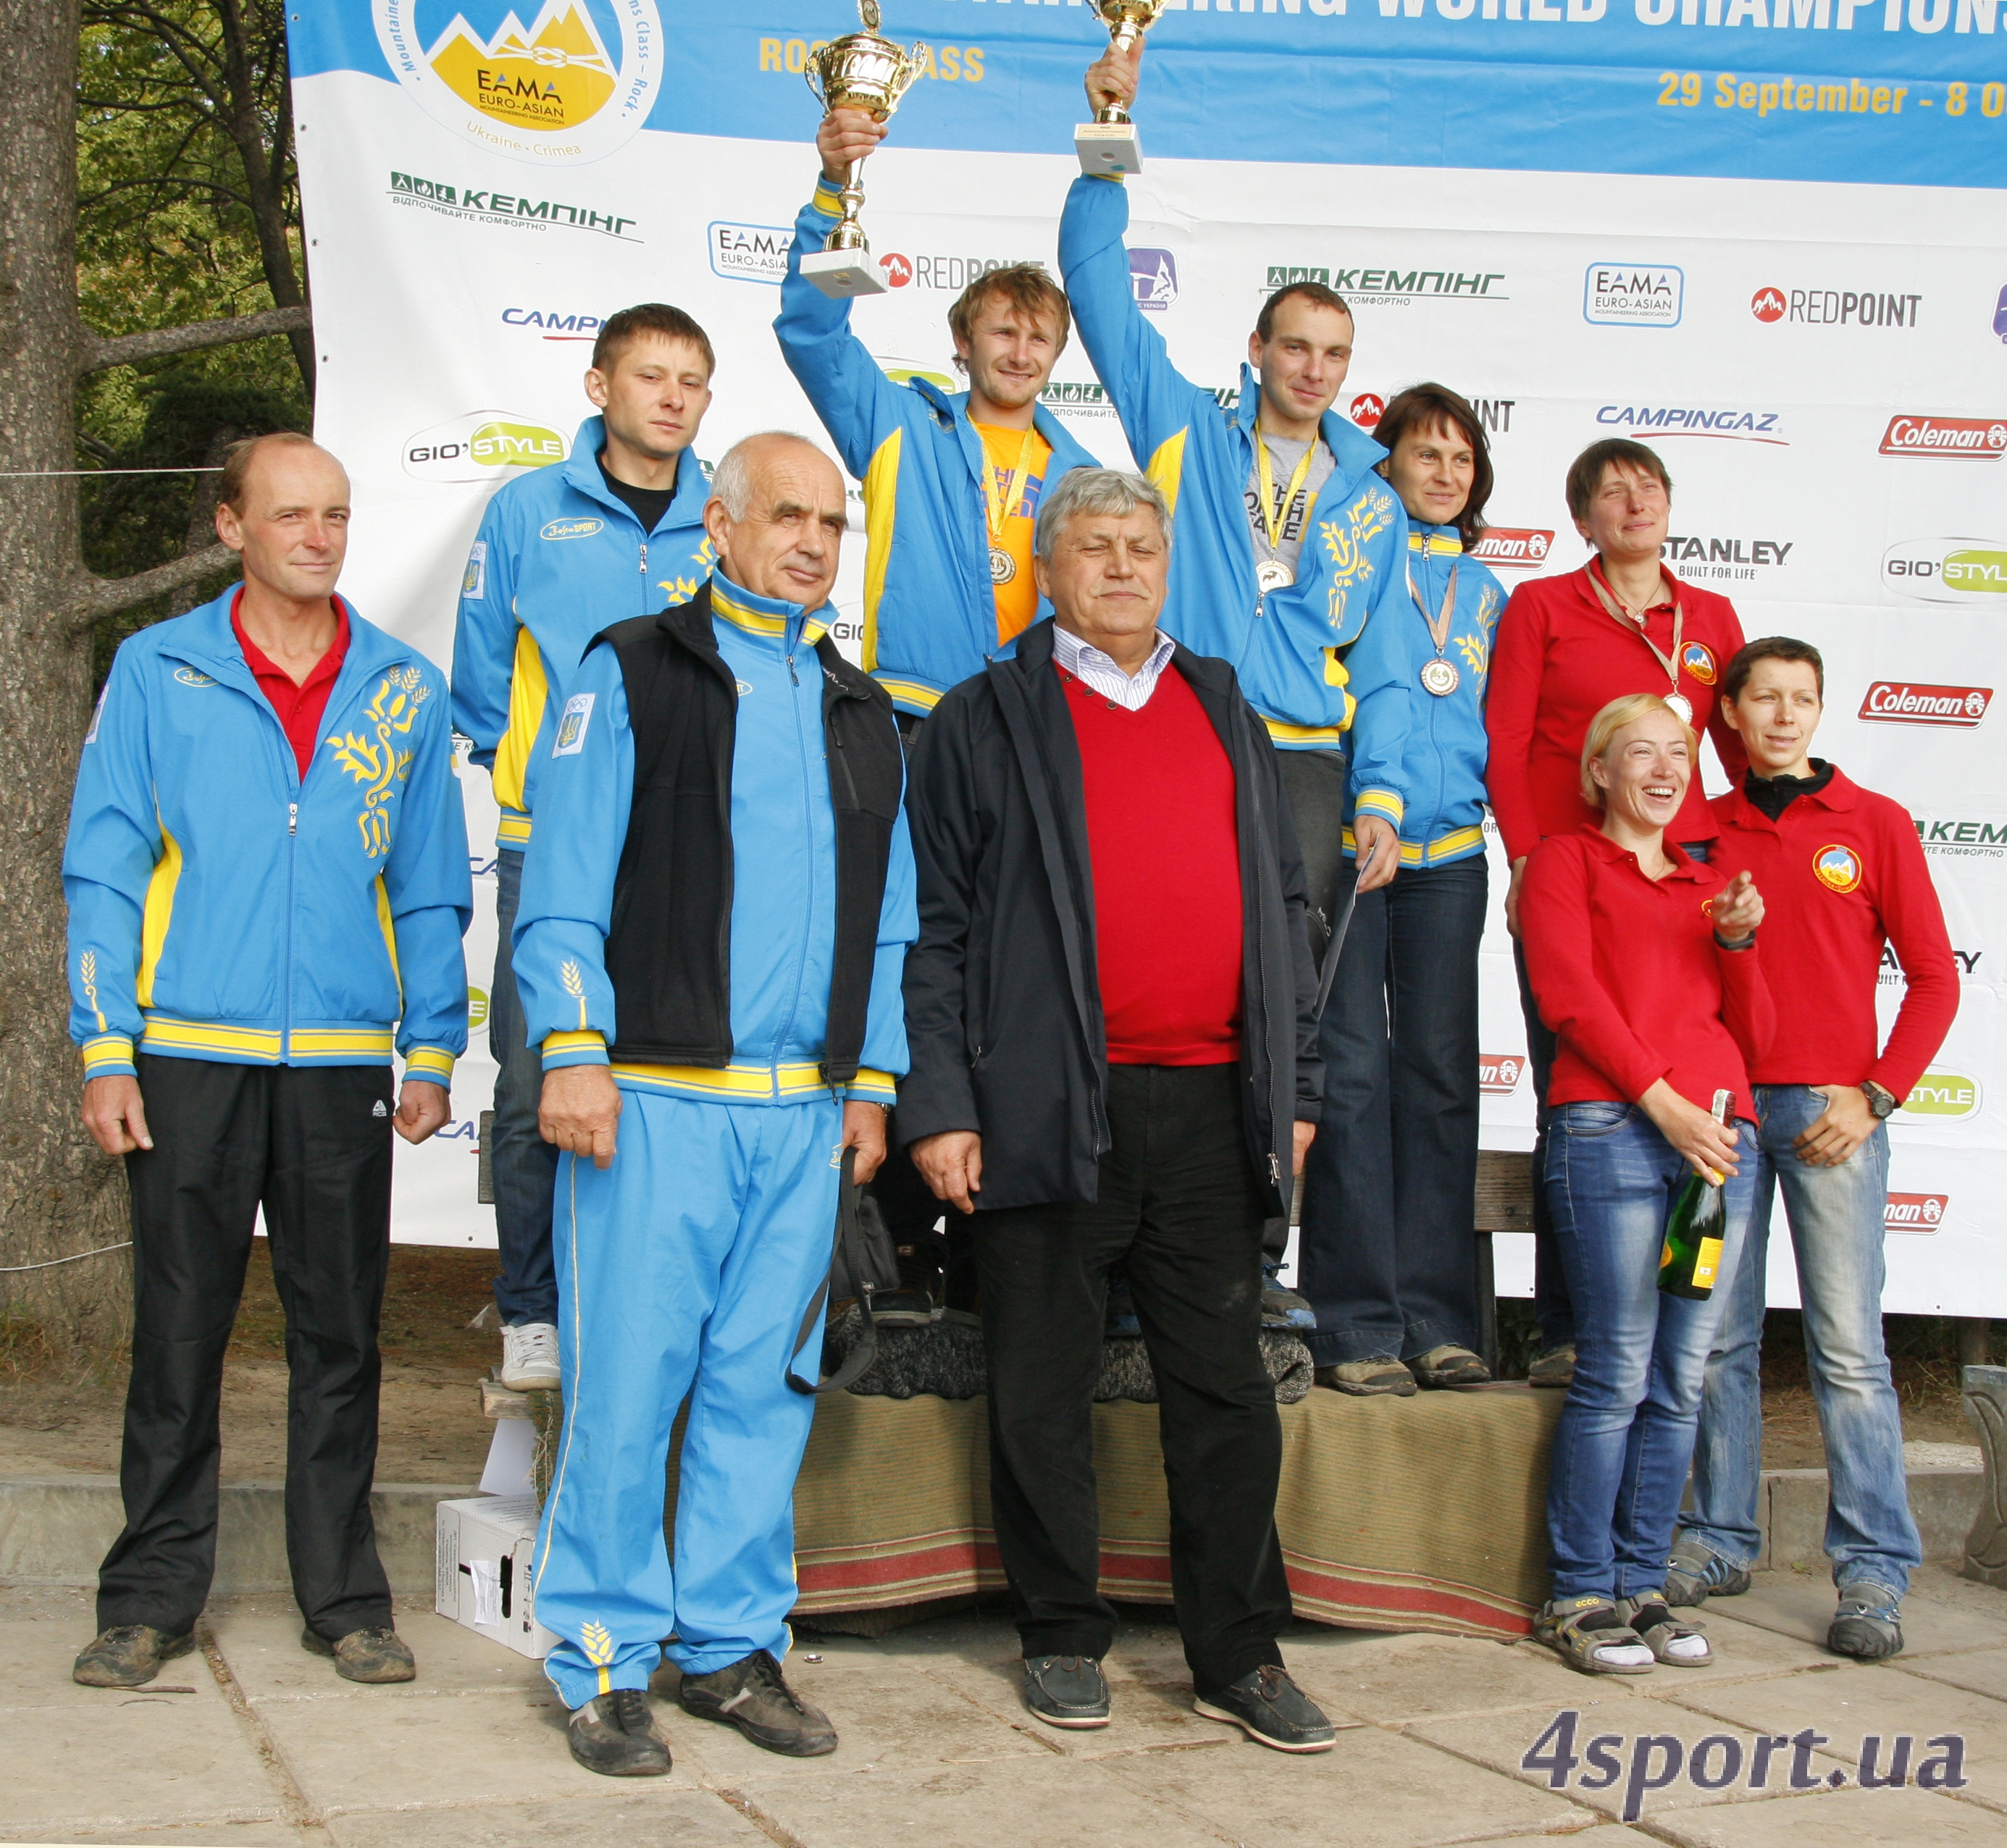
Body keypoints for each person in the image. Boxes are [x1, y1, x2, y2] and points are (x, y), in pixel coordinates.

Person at [900, 467, 1336, 1752]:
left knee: (1226, 1393)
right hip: (1043, 1108)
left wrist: (1296, 1092)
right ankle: (1060, 1634)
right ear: (1048, 568)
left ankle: (1238, 1655)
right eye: (1095, 548)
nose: (1125, 568)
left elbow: (1284, 912)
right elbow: (931, 935)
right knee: (1041, 1384)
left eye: (1142, 547)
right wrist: (941, 1106)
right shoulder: (985, 717)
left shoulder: (1222, 704)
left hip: (1212, 1110)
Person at [513, 433, 915, 1776]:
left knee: (765, 1390)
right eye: (786, 514)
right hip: (653, 1105)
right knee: (628, 1389)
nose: (811, 539)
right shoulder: (630, 670)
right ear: (722, 528)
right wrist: (570, 1047)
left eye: (832, 522)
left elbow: (894, 927)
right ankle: (601, 1662)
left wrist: (873, 1084)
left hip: (804, 1123)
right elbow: (560, 881)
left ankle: (730, 1649)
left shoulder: (863, 709)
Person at [64, 432, 470, 1689]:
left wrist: (435, 1045)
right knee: (177, 1331)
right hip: (185, 1053)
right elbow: (106, 866)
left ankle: (346, 1600)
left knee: (339, 1337)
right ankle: (148, 1599)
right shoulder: (156, 669)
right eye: (290, 514)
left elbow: (430, 884)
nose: (318, 535)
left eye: (337, 515)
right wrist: (104, 1047)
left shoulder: (404, 684)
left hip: (341, 1058)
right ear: (232, 526)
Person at [1058, 42, 1411, 1322]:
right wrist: (1106, 141)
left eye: (1334, 353)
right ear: (1255, 349)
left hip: (1311, 758)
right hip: (1192, 732)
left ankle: (1264, 1259)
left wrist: (1381, 790)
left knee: (1294, 1002)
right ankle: (1127, 1240)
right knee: (1175, 973)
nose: (1313, 369)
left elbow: (1388, 670)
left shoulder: (1374, 493)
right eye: (1295, 346)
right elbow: (1093, 288)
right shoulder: (1182, 432)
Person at [776, 108, 1099, 1322]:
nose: (1021, 347)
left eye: (1041, 332)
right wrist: (832, 184)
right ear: (963, 339)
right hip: (910, 724)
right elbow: (808, 327)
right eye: (1003, 328)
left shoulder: (1080, 472)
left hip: (1027, 733)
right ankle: (886, 1233)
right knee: (890, 952)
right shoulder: (902, 427)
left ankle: (987, 1234)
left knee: (1003, 966)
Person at [1671, 639, 1958, 1660]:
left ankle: (1875, 1571)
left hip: (1836, 1123)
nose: (1786, 716)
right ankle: (1716, 1536)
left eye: (1803, 699)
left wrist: (1878, 1094)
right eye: (1766, 700)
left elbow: (1935, 978)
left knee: (1848, 1351)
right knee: (1710, 1338)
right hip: (1718, 1122)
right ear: (1734, 717)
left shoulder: (1874, 825)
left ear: (1820, 711)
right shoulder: (1697, 828)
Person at [451, 303, 720, 1392]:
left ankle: (651, 1306)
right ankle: (531, 1310)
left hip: (693, 848)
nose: (671, 396)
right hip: (550, 845)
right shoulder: (525, 509)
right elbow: (476, 673)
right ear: (600, 388)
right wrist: (534, 775)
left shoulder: (729, 510)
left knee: (675, 1079)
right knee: (534, 1077)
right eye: (650, 375)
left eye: (691, 381)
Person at [1486, 439, 1749, 1387]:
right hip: (1572, 889)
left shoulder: (1712, 618)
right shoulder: (1543, 607)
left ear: (1670, 506)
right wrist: (1524, 863)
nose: (1634, 501)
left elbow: (1734, 762)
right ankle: (1566, 1327)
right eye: (1611, 490)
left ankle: (1668, 1320)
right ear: (1582, 517)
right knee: (1579, 1095)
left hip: (1672, 895)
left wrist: (1727, 876)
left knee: (1683, 1080)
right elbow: (1507, 744)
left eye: (1649, 487)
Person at [1520, 695, 1772, 1675]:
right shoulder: (1565, 864)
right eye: (1639, 752)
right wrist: (1663, 1102)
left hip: (1714, 1157)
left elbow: (1755, 1031)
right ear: (1600, 772)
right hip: (1616, 1137)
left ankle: (1642, 1583)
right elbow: (1569, 998)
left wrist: (1742, 944)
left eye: (1679, 752)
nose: (1663, 767)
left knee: (1681, 1379)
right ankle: (1579, 1591)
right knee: (1619, 1371)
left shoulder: (1713, 889)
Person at [1298, 385, 1504, 1395]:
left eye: (1462, 458)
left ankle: (1439, 1319)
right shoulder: (1350, 562)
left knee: (1437, 1079)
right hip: (1353, 847)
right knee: (1352, 1076)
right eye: (1425, 453)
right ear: (1386, 466)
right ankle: (1355, 1326)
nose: (1444, 472)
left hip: (1452, 859)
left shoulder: (1489, 593)